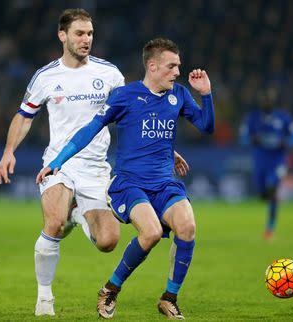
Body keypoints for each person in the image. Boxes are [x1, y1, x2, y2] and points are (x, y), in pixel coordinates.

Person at [0, 9, 189, 317]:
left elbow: (136, 114)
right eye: (80, 34)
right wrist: (8, 151)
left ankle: (76, 216)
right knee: (53, 222)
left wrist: (165, 149)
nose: (87, 39)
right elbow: (24, 116)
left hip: (97, 170)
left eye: (90, 34)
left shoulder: (109, 74)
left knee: (108, 241)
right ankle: (45, 298)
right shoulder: (46, 77)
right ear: (63, 36)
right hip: (60, 164)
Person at [37, 38, 215, 320]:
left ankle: (169, 298)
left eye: (178, 66)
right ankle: (110, 289)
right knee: (152, 232)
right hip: (130, 184)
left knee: (188, 226)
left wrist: (206, 95)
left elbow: (206, 127)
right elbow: (90, 130)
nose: (177, 72)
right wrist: (57, 162)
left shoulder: (178, 95)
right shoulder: (125, 96)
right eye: (172, 66)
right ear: (153, 66)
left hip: (164, 184)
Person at [239, 86, 293, 240]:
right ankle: (266, 197)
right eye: (265, 99)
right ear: (261, 102)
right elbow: (243, 137)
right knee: (263, 194)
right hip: (260, 161)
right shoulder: (253, 118)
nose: (267, 102)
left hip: (277, 161)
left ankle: (270, 227)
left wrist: (287, 143)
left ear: (274, 101)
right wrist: (251, 140)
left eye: (269, 99)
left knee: (272, 189)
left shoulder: (284, 118)